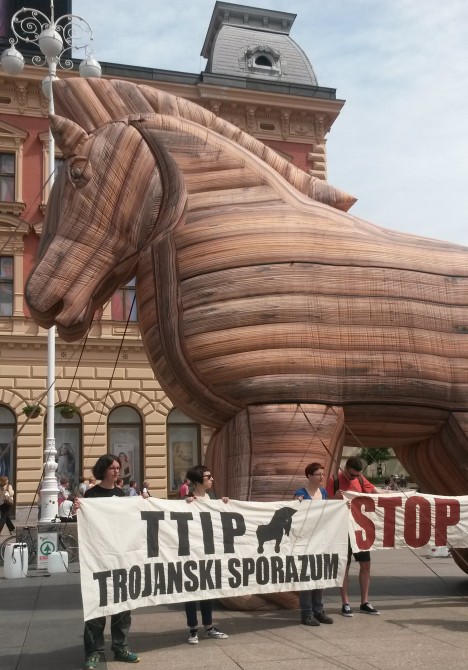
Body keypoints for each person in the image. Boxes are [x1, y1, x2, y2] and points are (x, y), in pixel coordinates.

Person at [74, 454, 140, 669]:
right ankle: (93, 652)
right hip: (98, 558)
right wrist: (78, 508)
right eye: (112, 467)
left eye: (118, 467)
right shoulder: (91, 494)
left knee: (122, 605)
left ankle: (121, 647)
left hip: (120, 556)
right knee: (97, 605)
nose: (117, 471)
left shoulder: (121, 494)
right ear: (103, 470)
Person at [326, 456, 381, 617]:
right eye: (351, 474)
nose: (353, 477)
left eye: (357, 475)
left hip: (359, 529)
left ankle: (364, 602)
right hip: (343, 529)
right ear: (345, 468)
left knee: (366, 565)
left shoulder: (361, 479)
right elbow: (324, 501)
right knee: (345, 566)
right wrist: (334, 498)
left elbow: (379, 494)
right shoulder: (334, 480)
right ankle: (346, 603)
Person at [184, 464, 229, 645]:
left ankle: (208, 627)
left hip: (208, 552)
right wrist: (186, 503)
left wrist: (225, 504)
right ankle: (193, 629)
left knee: (207, 590)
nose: (212, 479)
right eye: (208, 477)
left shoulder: (212, 498)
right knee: (190, 591)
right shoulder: (188, 500)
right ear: (197, 481)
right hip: (191, 552)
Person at [294, 463, 334, 626]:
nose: (321, 477)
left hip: (321, 540)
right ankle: (307, 612)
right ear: (309, 476)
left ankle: (318, 610)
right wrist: (298, 502)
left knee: (320, 575)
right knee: (307, 576)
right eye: (318, 474)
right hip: (306, 541)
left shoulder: (323, 493)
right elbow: (296, 510)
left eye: (322, 474)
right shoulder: (301, 493)